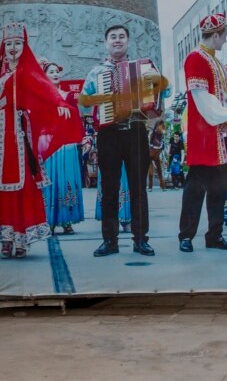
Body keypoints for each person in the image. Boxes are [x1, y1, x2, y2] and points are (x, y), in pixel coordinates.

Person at [0, 23, 82, 258]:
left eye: (17, 43)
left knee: (22, 185)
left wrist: (59, 103)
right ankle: (6, 236)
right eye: (8, 44)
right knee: (1, 186)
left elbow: (45, 89)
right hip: (0, 139)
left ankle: (21, 238)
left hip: (19, 138)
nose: (12, 48)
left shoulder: (26, 73)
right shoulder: (1, 75)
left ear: (24, 46)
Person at [80, 24, 166, 258]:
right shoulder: (97, 72)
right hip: (109, 133)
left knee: (139, 187)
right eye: (113, 37)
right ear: (106, 43)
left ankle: (141, 240)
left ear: (128, 42)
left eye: (121, 37)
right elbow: (84, 100)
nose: (117, 40)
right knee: (109, 188)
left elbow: (161, 95)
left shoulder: (143, 69)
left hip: (136, 131)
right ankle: (110, 240)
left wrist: (155, 83)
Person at [178, 13, 227, 253]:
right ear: (215, 35)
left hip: (220, 136)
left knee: (218, 188)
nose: (224, 41)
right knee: (195, 188)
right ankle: (186, 235)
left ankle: (215, 234)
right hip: (204, 135)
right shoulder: (196, 59)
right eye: (223, 37)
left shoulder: (216, 62)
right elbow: (202, 99)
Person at [39, 59, 89, 235]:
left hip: (67, 145)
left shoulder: (68, 96)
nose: (55, 74)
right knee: (51, 182)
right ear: (44, 75)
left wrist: (84, 139)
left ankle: (67, 220)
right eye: (50, 72)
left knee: (68, 181)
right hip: (50, 145)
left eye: (56, 71)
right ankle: (49, 220)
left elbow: (76, 120)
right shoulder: (41, 96)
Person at [147, 121, 167, 191]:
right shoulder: (152, 134)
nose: (162, 129)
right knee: (150, 172)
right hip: (150, 155)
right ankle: (150, 187)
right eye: (161, 127)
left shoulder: (161, 135)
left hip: (157, 155)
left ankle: (163, 186)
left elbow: (162, 147)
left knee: (159, 171)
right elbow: (150, 145)